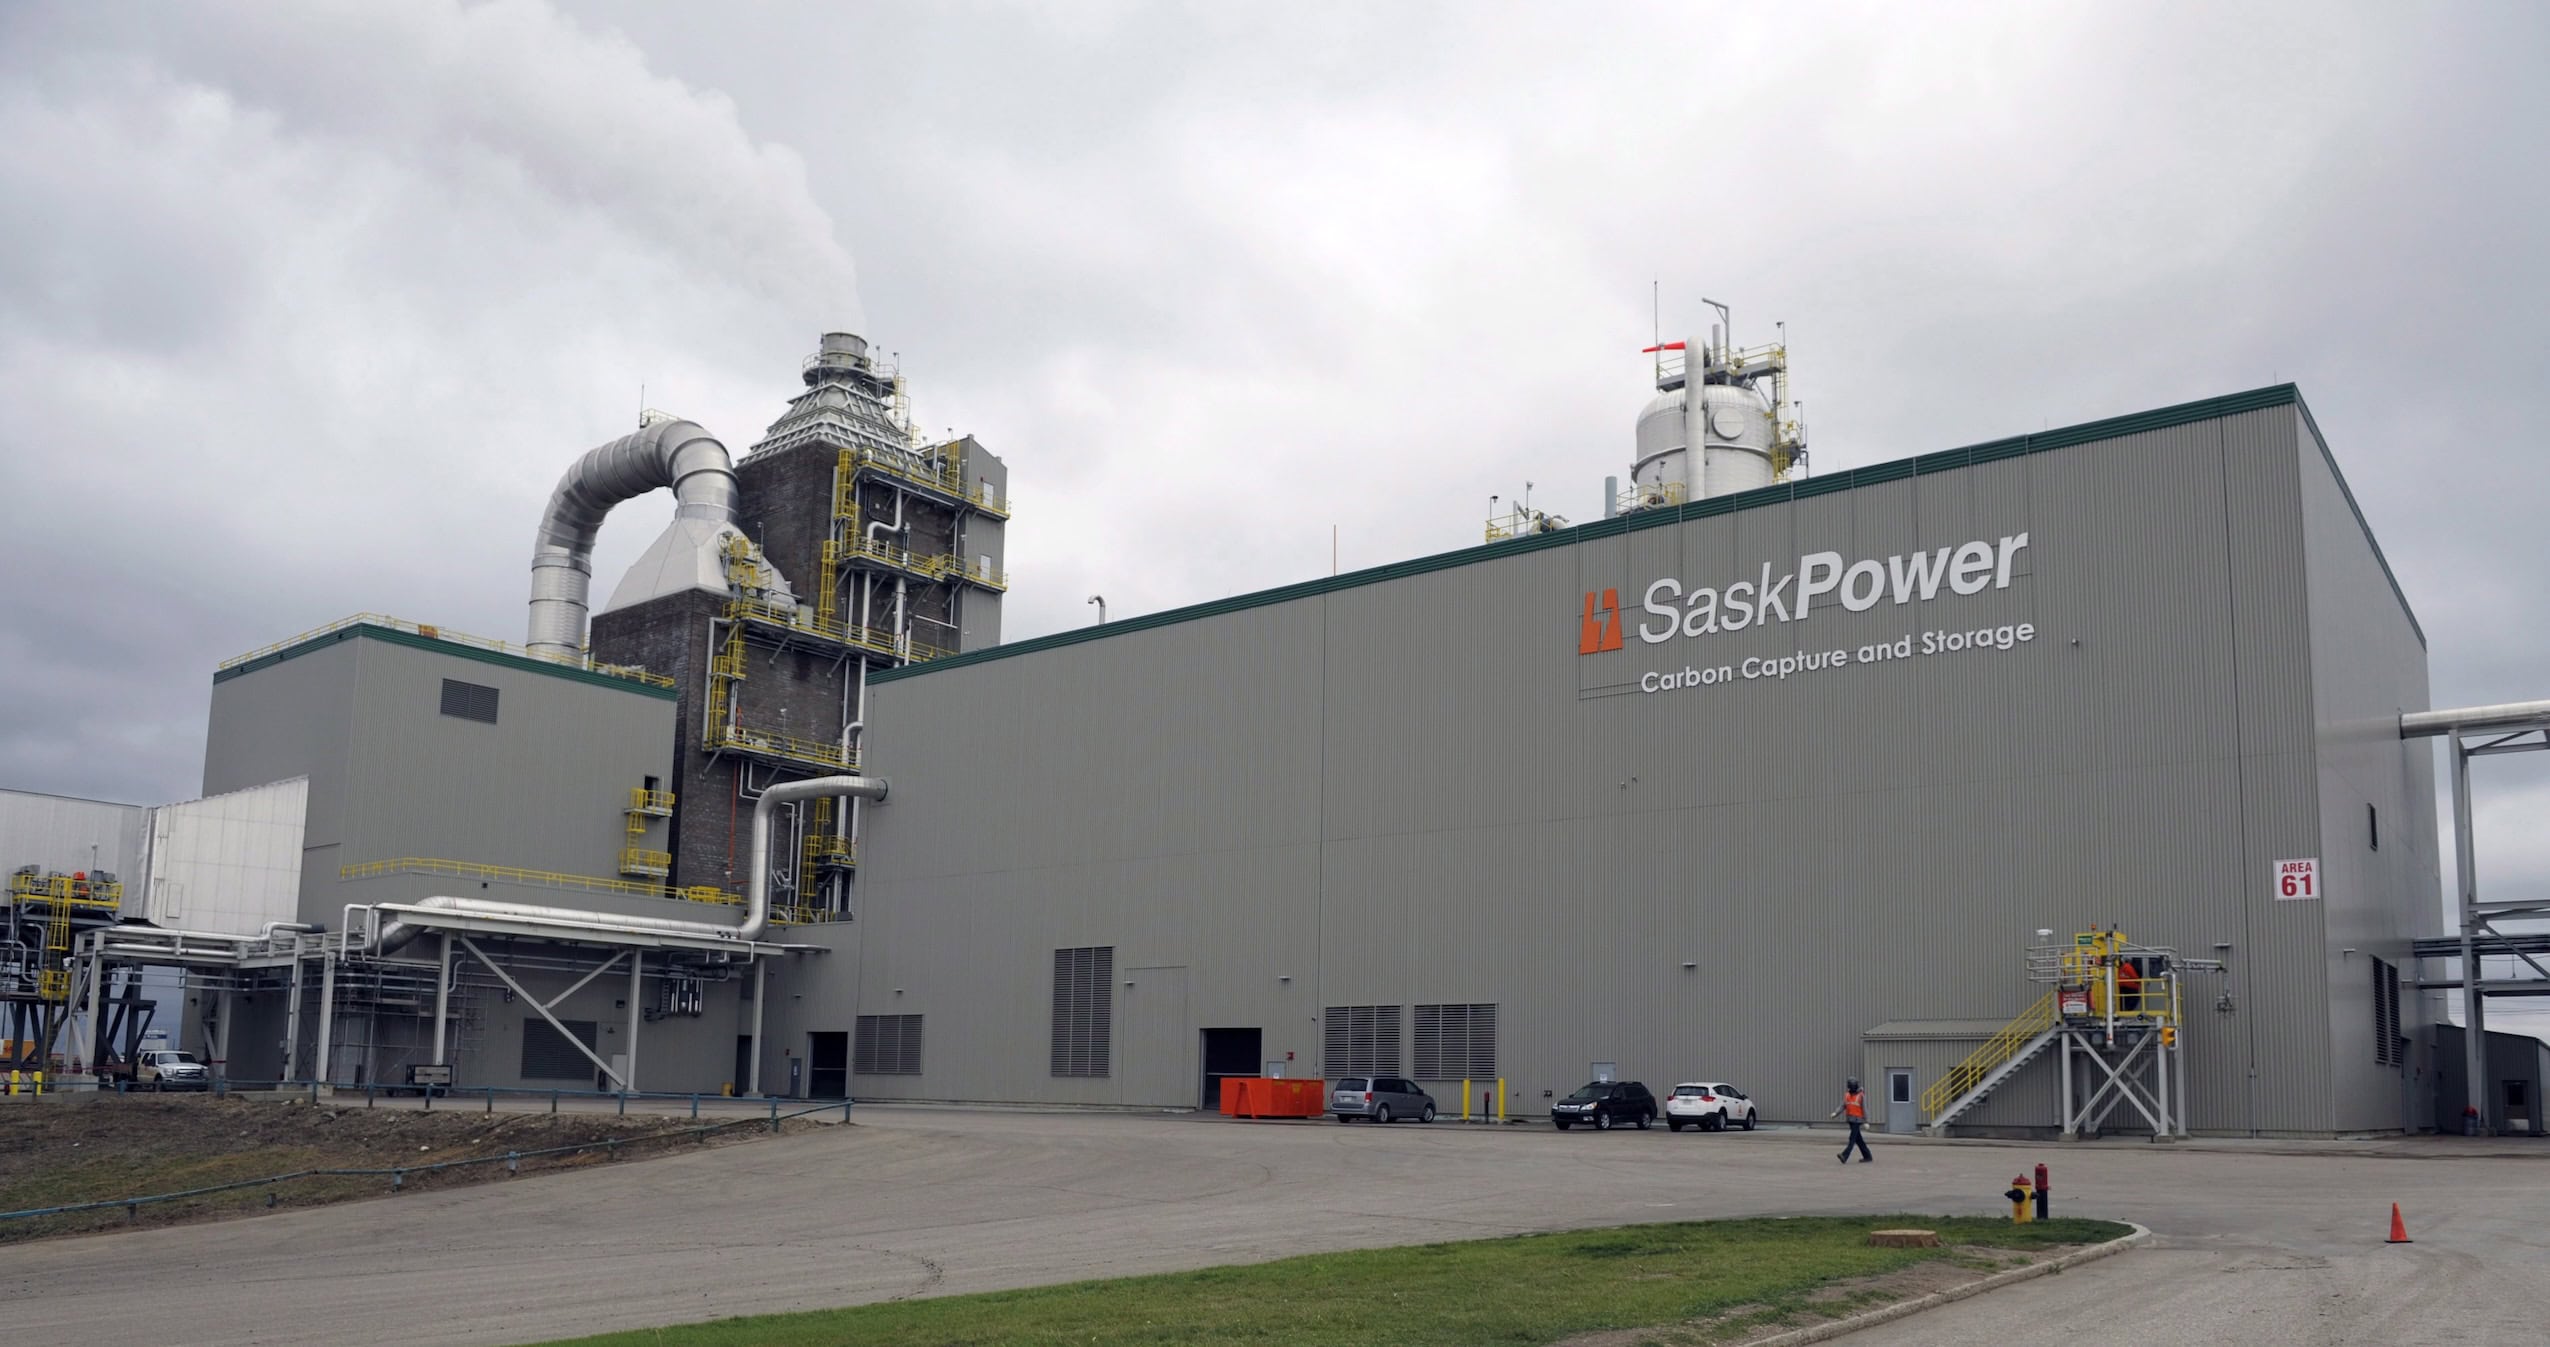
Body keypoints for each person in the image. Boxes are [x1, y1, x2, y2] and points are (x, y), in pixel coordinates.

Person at [1831, 1077, 1873, 1162]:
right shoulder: (1847, 1095)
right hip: (1850, 1119)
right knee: (1859, 1140)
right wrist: (1836, 1113)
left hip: (1857, 1120)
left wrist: (1866, 1121)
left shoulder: (1861, 1095)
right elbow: (1843, 1106)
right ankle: (1867, 1156)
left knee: (1852, 1139)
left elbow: (1864, 1108)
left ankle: (1844, 1156)